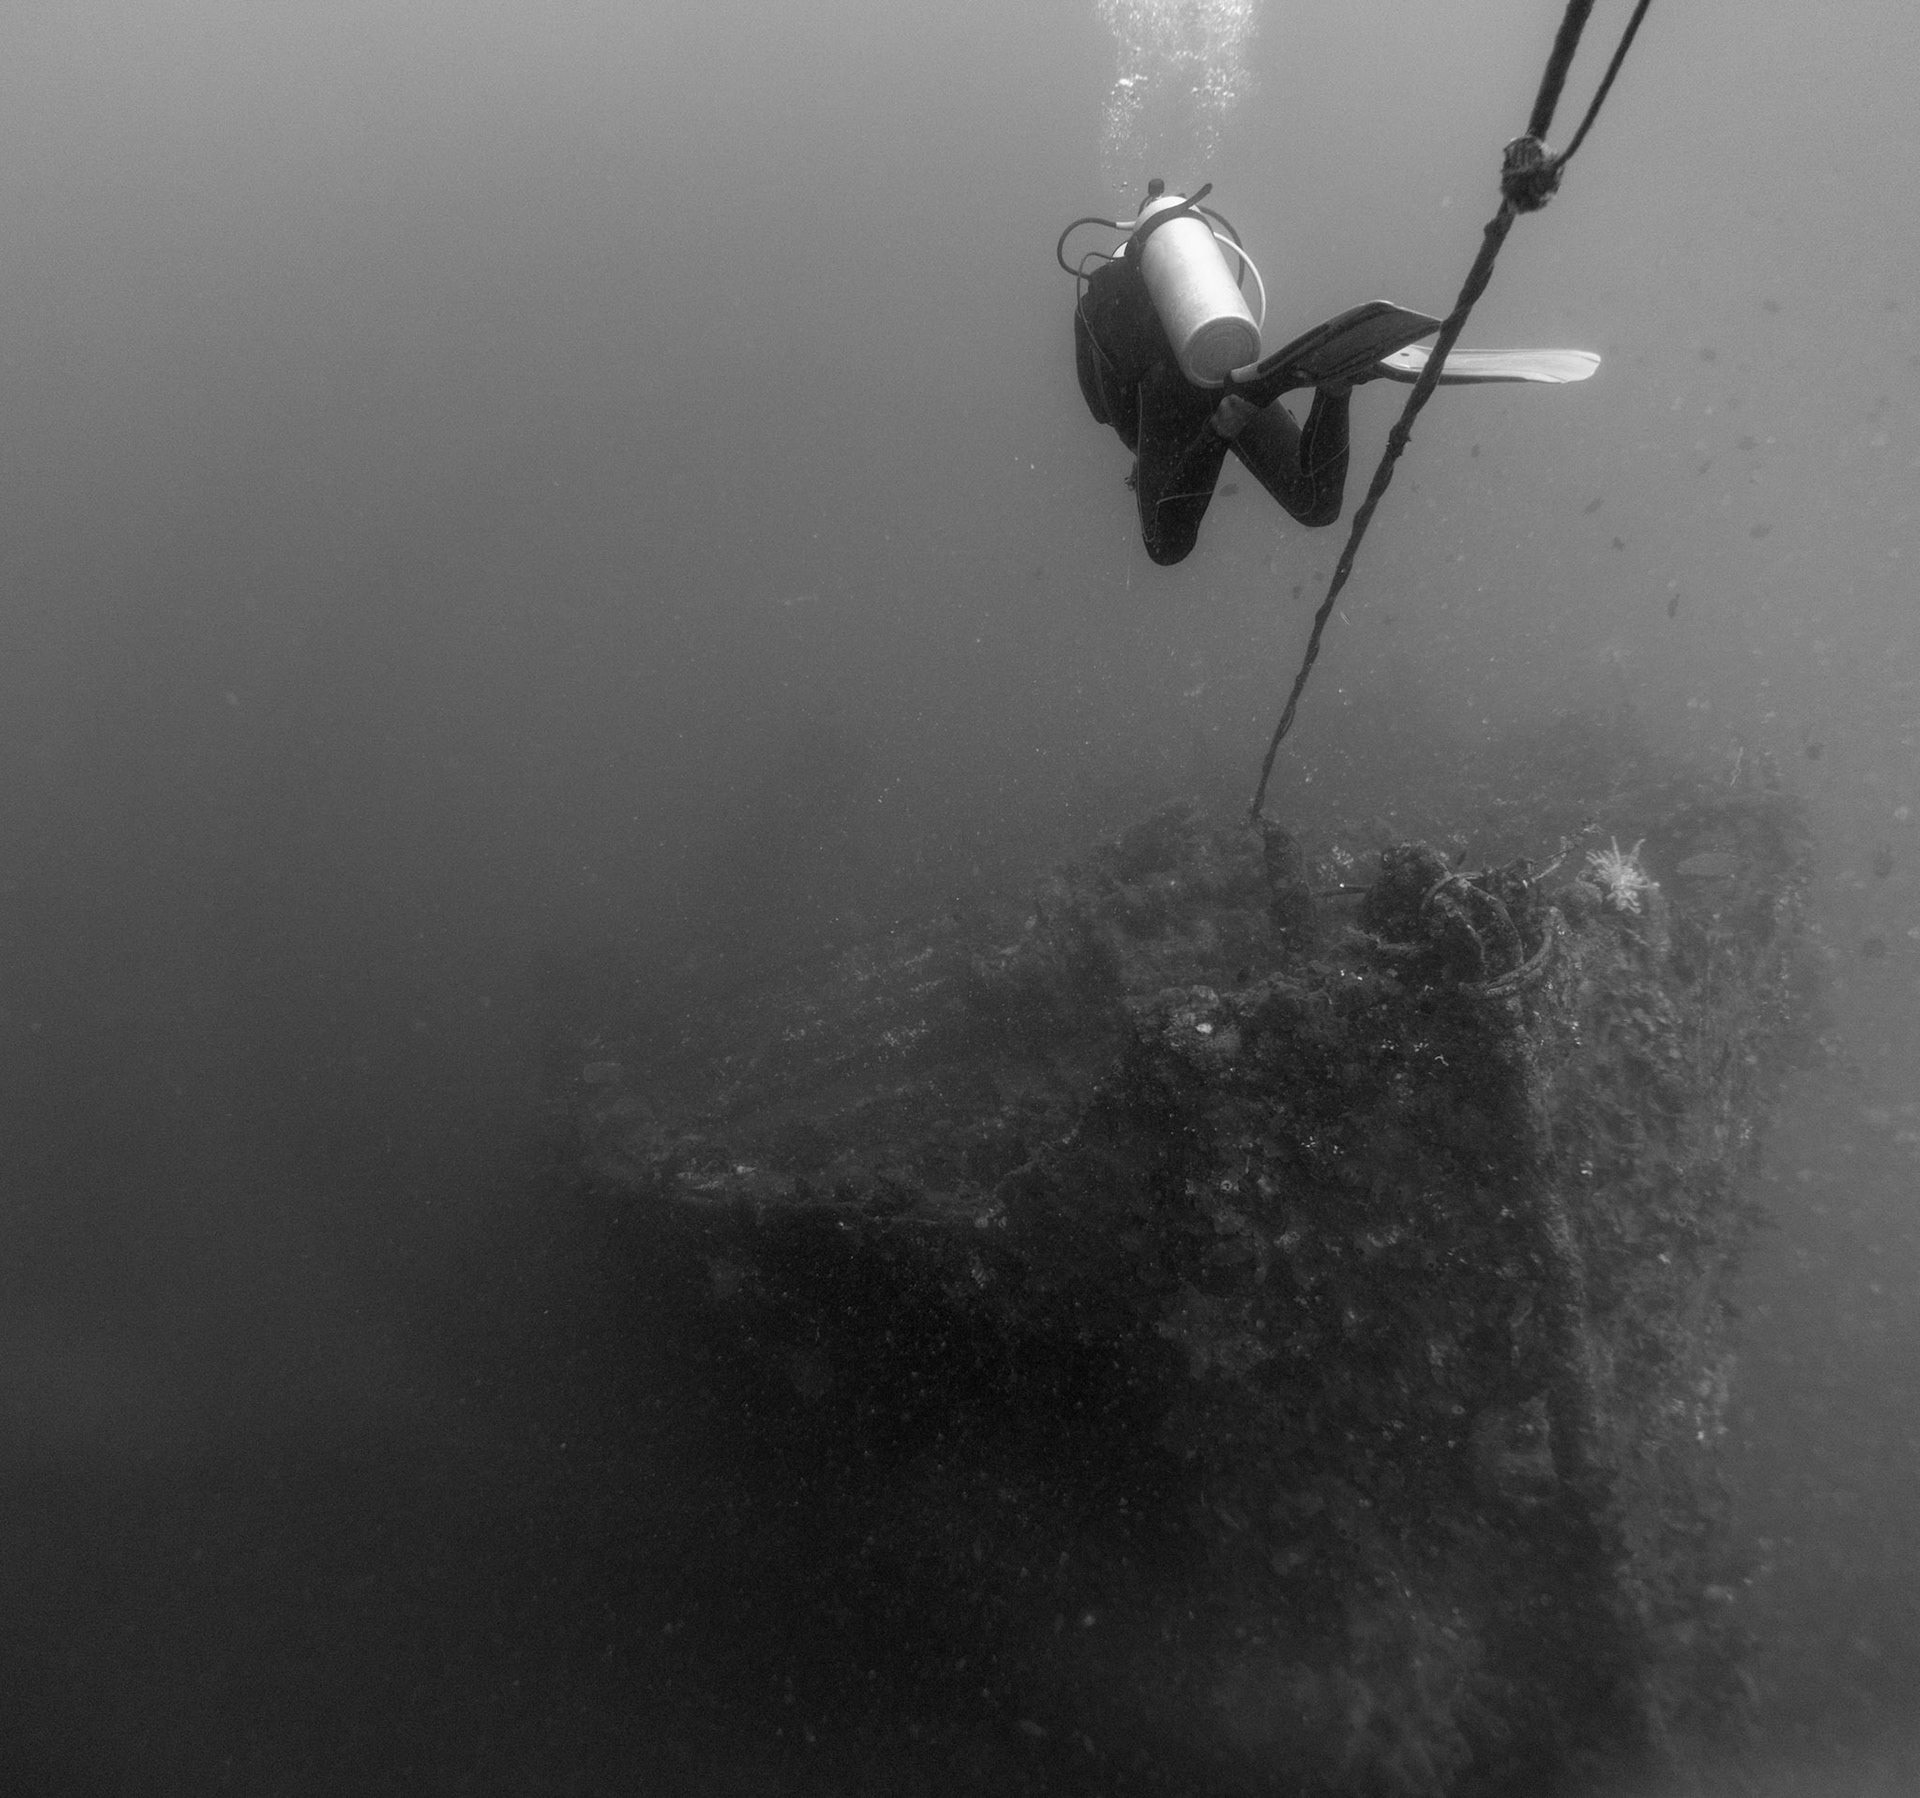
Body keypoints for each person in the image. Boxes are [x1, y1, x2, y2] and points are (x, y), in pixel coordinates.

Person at [1072, 183, 1360, 567]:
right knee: (1315, 504)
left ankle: (1223, 428)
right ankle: (1335, 388)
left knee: (1165, 546)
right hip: (1226, 369)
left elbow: (1100, 407)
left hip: (1167, 395)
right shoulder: (1182, 273)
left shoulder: (1106, 307)